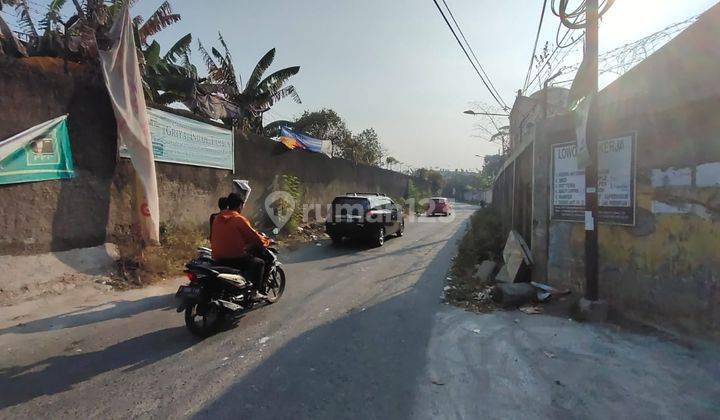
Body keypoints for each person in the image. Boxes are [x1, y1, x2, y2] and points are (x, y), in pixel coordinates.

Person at [211, 192, 271, 299]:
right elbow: (254, 236)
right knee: (260, 263)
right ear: (240, 205)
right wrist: (266, 241)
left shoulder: (217, 218)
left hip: (217, 257)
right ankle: (254, 292)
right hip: (235, 258)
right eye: (242, 205)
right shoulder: (239, 219)